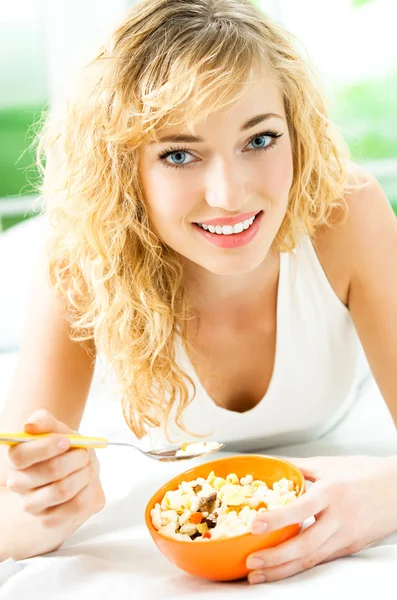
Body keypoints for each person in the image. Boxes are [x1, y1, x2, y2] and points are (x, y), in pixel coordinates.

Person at [1, 0, 397, 585]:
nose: (229, 195)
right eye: (179, 154)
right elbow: (9, 504)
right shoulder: (82, 258)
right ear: (122, 167)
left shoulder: (348, 211)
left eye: (259, 140)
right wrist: (43, 514)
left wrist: (385, 492)